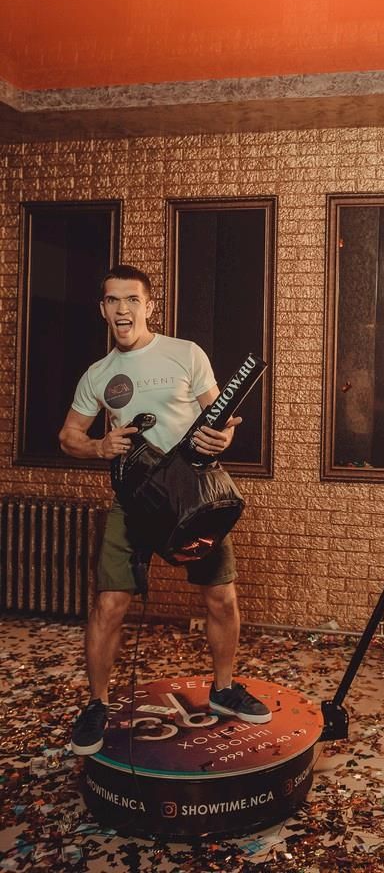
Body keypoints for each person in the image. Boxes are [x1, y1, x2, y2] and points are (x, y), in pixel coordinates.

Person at [59, 264, 271, 756]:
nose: (122, 309)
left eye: (132, 299)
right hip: (134, 502)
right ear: (103, 310)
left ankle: (223, 689)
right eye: (113, 300)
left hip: (193, 495)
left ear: (149, 306)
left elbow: (220, 418)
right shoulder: (98, 375)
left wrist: (223, 437)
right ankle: (97, 704)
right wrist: (98, 446)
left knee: (221, 599)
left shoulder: (185, 353)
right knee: (109, 605)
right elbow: (68, 436)